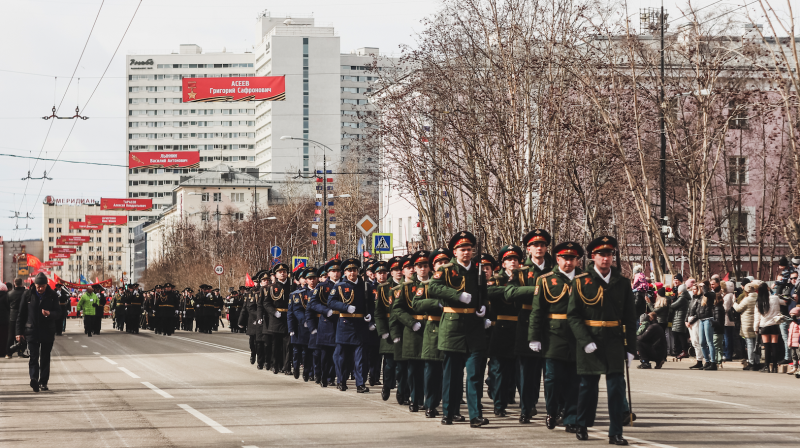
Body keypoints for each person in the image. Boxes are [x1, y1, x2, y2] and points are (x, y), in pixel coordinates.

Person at [567, 236, 636, 446]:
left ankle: (615, 432)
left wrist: (631, 347)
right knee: (588, 386)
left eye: (609, 255)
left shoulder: (622, 283)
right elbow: (573, 315)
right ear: (593, 257)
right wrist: (584, 340)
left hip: (614, 340)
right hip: (591, 340)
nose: (606, 259)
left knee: (616, 387)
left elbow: (630, 318)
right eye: (601, 255)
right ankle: (582, 423)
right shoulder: (580, 281)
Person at [427, 230, 490, 428]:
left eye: (469, 249)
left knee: (473, 374)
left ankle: (475, 415)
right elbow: (433, 288)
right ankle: (448, 412)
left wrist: (484, 309)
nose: (466, 252)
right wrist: (456, 295)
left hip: (474, 327)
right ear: (455, 251)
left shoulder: (478, 270)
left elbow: (484, 294)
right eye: (462, 249)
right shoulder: (446, 269)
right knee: (451, 375)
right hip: (452, 327)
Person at [529, 241, 583, 432]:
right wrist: (534, 337)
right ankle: (552, 411)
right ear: (558, 259)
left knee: (574, 380)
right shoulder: (545, 280)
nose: (568, 262)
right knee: (552, 378)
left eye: (572, 258)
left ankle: (571, 418)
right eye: (565, 258)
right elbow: (537, 311)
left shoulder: (585, 280)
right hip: (553, 336)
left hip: (577, 336)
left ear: (577, 260)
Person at [506, 229, 553, 424]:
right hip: (526, 321)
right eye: (535, 245)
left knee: (551, 372)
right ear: (529, 249)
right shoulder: (521, 272)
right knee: (528, 371)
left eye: (542, 245)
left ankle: (554, 408)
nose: (539, 248)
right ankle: (527, 407)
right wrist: (535, 289)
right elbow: (509, 293)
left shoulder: (553, 269)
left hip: (550, 322)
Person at [413, 249, 450, 418]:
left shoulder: (457, 282)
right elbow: (417, 304)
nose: (442, 266)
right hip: (433, 328)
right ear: (433, 267)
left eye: (445, 262)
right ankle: (430, 404)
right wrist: (436, 303)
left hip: (453, 329)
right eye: (438, 263)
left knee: (451, 371)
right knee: (431, 370)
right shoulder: (425, 285)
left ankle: (451, 406)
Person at [328, 258, 375, 393]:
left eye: (354, 270)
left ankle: (360, 383)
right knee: (342, 356)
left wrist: (370, 315)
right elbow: (331, 302)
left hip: (360, 324)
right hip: (345, 323)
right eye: (349, 270)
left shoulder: (365, 286)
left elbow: (371, 305)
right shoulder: (339, 286)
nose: (352, 273)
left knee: (360, 357)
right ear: (345, 272)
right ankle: (341, 381)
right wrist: (345, 307)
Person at [16, 273, 61, 392]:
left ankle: (43, 382)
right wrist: (19, 332)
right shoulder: (28, 295)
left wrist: (50, 314)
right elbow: (21, 315)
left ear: (46, 285)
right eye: (38, 286)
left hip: (47, 331)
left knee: (45, 357)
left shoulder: (52, 295)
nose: (40, 289)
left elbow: (59, 313)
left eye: (42, 286)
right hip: (32, 331)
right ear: (34, 285)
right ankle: (34, 379)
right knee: (34, 356)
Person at [260, 263, 292, 374]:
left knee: (288, 344)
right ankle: (276, 365)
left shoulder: (292, 287)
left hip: (289, 318)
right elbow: (266, 303)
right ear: (276, 275)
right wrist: (274, 312)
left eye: (284, 272)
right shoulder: (271, 288)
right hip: (276, 319)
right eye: (280, 272)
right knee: (276, 345)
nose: (282, 273)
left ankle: (287, 367)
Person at [753, 282, 782, 373]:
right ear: (767, 289)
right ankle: (775, 367)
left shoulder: (759, 302)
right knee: (774, 346)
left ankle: (766, 366)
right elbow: (783, 302)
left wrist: (756, 328)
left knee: (767, 346)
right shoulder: (775, 298)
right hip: (774, 324)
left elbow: (757, 317)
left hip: (764, 325)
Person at [734, 281, 761, 370]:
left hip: (747, 323)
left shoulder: (747, 299)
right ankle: (757, 361)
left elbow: (738, 309)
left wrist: (734, 302)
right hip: (757, 322)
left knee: (749, 343)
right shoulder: (758, 298)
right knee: (756, 343)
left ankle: (751, 362)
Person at [6, 278, 27, 359]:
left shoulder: (9, 294)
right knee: (22, 335)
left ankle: (9, 353)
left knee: (11, 336)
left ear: (14, 284)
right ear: (21, 283)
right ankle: (21, 352)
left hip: (12, 316)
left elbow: (8, 305)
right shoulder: (25, 293)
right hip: (23, 316)